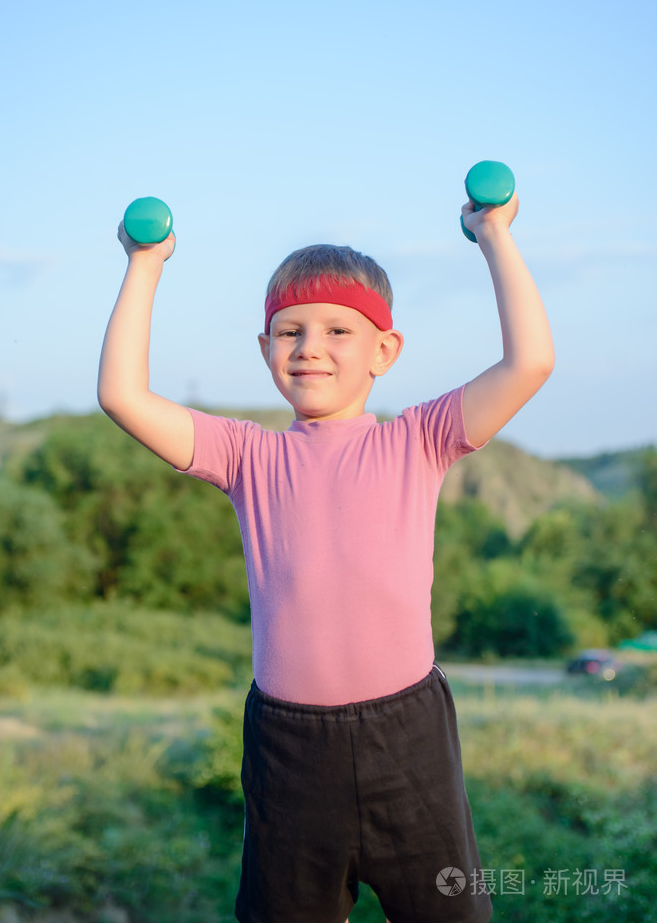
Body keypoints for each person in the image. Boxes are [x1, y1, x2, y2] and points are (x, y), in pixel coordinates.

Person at [98, 188, 554, 923]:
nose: (309, 346)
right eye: (288, 331)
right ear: (264, 350)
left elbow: (529, 361)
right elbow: (121, 394)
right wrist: (145, 263)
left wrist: (492, 232)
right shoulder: (245, 454)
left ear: (384, 349)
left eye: (338, 329)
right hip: (288, 748)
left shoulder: (417, 440)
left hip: (407, 738)